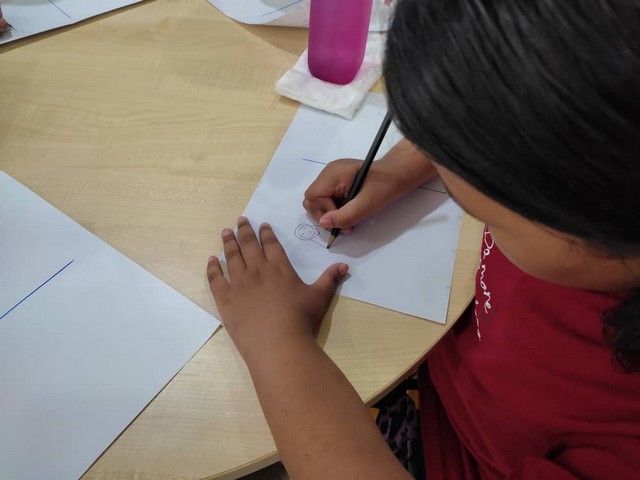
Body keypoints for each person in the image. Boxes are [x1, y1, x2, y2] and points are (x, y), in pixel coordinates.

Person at [206, 0, 640, 478]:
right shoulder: (589, 193)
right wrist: (397, 167)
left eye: (478, 204)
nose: (444, 164)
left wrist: (276, 343)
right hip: (440, 374)